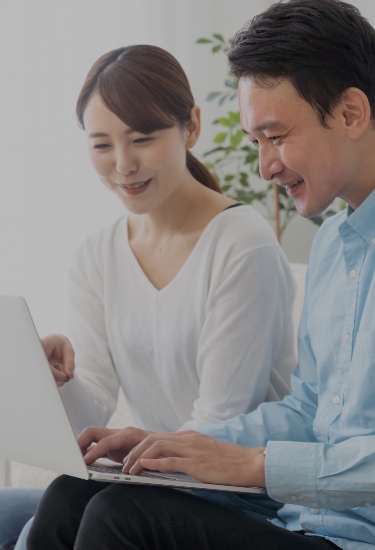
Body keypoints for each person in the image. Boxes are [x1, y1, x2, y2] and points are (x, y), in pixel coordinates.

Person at [25, 0, 375, 549]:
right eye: (256, 143)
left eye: (277, 136)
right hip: (304, 524)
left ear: (351, 113)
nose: (265, 168)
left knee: (122, 518)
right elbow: (310, 410)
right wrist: (172, 446)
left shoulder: (241, 242)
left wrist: (255, 464)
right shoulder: (335, 247)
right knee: (74, 496)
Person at [0, 44, 297, 550]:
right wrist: (56, 380)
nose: (123, 165)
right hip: (153, 477)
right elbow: (89, 420)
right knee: (46, 501)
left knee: (66, 514)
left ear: (191, 127)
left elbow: (219, 422)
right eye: (101, 145)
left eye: (143, 139)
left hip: (239, 492)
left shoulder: (241, 244)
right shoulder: (97, 255)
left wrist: (132, 465)